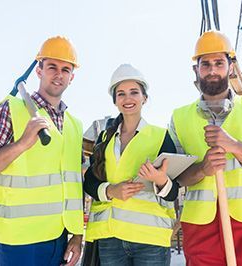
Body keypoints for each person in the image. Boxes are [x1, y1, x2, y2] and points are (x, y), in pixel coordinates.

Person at [169, 30, 242, 265]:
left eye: (219, 63)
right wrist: (203, 169)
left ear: (231, 67)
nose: (212, 70)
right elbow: (176, 178)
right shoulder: (179, 118)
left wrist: (234, 146)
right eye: (206, 64)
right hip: (201, 228)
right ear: (196, 70)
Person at [0, 36, 84, 266]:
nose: (59, 74)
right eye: (52, 67)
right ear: (39, 71)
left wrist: (77, 235)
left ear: (72, 78)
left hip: (58, 238)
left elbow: (73, 185)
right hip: (18, 241)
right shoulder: (13, 108)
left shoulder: (74, 125)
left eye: (65, 69)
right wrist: (22, 143)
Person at [83, 64, 178, 266]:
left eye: (134, 92)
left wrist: (160, 180)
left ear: (144, 98)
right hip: (111, 237)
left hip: (150, 239)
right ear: (115, 101)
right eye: (121, 94)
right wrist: (110, 190)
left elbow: (173, 192)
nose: (128, 99)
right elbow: (90, 181)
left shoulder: (161, 136)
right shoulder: (104, 137)